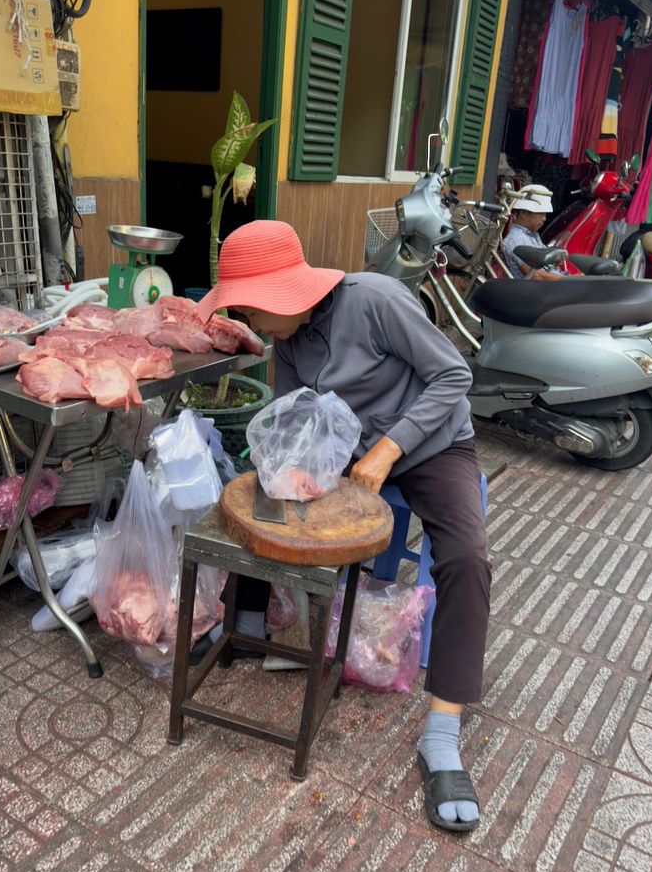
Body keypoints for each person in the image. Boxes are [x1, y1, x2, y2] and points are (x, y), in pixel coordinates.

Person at [195, 220, 491, 834]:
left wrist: (390, 449)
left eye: (251, 308)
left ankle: (441, 734)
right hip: (349, 458)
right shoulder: (288, 342)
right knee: (261, 498)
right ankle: (244, 624)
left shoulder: (375, 301)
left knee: (465, 557)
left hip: (431, 445)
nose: (250, 321)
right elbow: (297, 420)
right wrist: (286, 466)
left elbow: (454, 377)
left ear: (285, 294)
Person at [501, 188, 564, 281]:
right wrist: (570, 280)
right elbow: (536, 276)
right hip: (543, 290)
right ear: (523, 213)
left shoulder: (531, 234)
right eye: (541, 214)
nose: (544, 219)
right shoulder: (517, 240)